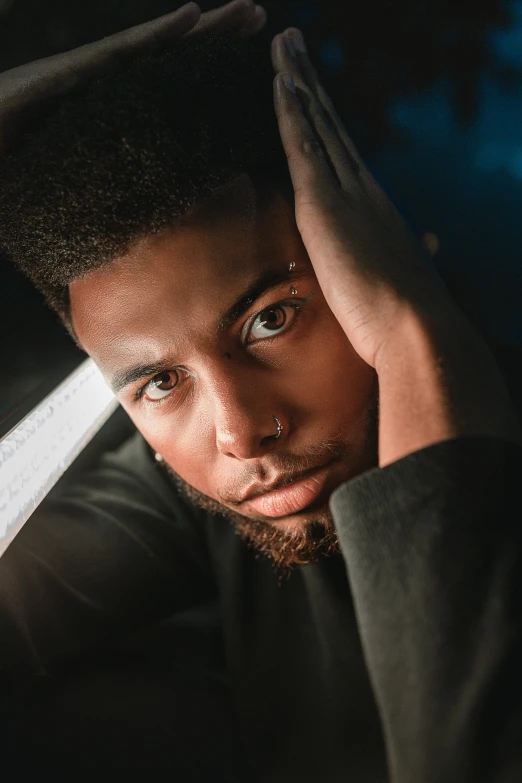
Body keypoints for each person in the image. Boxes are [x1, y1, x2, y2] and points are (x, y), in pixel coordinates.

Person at [1, 1, 521, 780]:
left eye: (272, 319)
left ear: (378, 255)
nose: (241, 432)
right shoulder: (196, 500)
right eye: (162, 382)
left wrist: (415, 336)